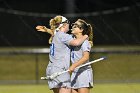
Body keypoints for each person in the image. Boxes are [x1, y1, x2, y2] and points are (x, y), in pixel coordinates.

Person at [36, 15, 88, 93]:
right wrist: (86, 36)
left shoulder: (57, 35)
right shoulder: (63, 36)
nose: (70, 26)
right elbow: (77, 42)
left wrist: (47, 30)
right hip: (60, 70)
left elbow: (54, 32)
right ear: (64, 25)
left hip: (51, 69)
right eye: (68, 23)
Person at [68, 19, 93, 93]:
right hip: (75, 73)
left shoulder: (85, 43)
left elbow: (85, 57)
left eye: (75, 26)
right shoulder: (72, 40)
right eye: (73, 25)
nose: (72, 27)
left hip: (83, 73)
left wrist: (74, 65)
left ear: (81, 30)